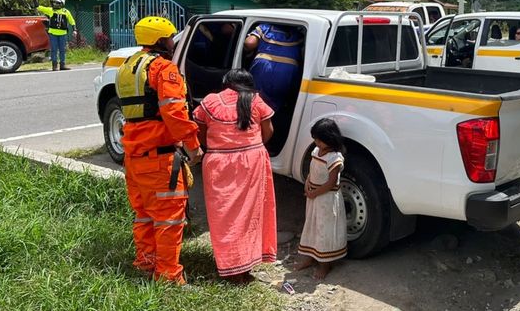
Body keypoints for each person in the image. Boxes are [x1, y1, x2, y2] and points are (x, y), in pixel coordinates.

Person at [116, 16, 203, 285]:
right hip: (160, 159)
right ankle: (168, 278)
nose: (173, 42)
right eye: (170, 38)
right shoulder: (164, 69)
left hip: (134, 156)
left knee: (144, 215)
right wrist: (194, 147)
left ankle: (146, 262)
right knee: (168, 221)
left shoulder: (127, 67)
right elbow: (174, 112)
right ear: (160, 41)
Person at [192, 69, 277, 285]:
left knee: (224, 216)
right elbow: (268, 131)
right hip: (252, 161)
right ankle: (244, 265)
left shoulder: (210, 101)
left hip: (219, 162)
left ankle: (230, 266)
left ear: (226, 83)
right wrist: (252, 146)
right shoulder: (256, 100)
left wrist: (213, 147)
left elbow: (199, 131)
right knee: (250, 215)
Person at [295, 118, 347, 280]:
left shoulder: (334, 158)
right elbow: (313, 169)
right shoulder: (317, 151)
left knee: (325, 230)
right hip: (314, 197)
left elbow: (331, 182)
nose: (316, 142)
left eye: (319, 139)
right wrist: (308, 183)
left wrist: (315, 192)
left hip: (326, 199)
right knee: (312, 225)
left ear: (329, 138)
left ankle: (325, 264)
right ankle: (310, 257)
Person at [244, 23, 303, 112]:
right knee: (278, 103)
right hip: (288, 70)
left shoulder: (265, 27)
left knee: (254, 100)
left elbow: (249, 43)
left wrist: (247, 51)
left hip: (263, 66)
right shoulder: (299, 35)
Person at [36, 0, 76, 70]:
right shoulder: (51, 10)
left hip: (63, 34)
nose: (55, 5)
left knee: (62, 50)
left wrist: (74, 30)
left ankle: (62, 65)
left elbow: (72, 21)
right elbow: (39, 8)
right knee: (54, 49)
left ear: (61, 4)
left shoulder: (66, 12)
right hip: (53, 34)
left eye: (57, 3)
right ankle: (54, 65)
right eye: (54, 3)